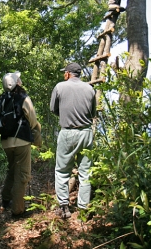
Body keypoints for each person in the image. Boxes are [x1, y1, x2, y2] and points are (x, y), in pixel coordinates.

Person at [50, 62, 96, 219]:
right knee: (85, 172)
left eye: (65, 72)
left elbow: (53, 108)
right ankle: (83, 208)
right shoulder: (90, 88)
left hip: (68, 132)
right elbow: (92, 112)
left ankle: (64, 208)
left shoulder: (59, 87)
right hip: (86, 133)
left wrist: (66, 114)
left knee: (62, 171)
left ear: (68, 73)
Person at [0, 71, 42, 218]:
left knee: (12, 169)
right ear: (17, 82)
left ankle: (6, 199)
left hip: (6, 142)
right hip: (21, 141)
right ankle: (18, 210)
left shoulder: (2, 98)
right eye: (19, 79)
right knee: (22, 174)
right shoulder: (23, 97)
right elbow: (32, 119)